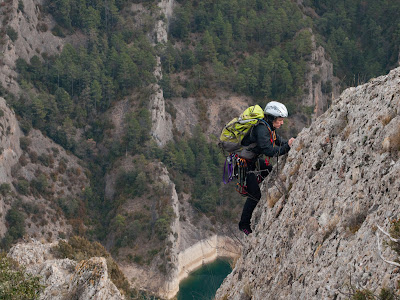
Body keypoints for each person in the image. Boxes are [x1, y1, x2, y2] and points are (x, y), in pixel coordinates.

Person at [238, 101, 295, 235]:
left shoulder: (268, 127)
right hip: (244, 164)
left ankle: (254, 181)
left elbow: (277, 140)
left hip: (252, 160)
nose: (282, 123)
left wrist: (289, 143)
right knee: (255, 195)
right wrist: (287, 147)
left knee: (269, 171)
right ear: (272, 118)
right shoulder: (261, 129)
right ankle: (244, 224)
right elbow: (269, 150)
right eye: (280, 120)